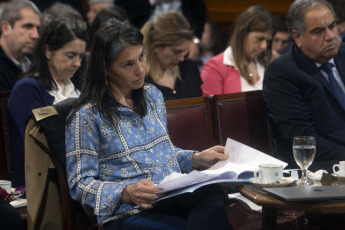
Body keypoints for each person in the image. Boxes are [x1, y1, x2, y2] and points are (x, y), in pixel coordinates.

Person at [66, 18, 232, 230]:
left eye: (141, 57)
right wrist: (125, 193)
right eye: (128, 64)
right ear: (105, 69)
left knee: (212, 192)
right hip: (128, 211)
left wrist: (195, 158)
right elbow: (79, 183)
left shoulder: (153, 95)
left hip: (170, 196)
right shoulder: (86, 116)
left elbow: (164, 154)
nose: (140, 70)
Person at [263, 0, 345, 172]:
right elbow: (306, 141)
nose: (330, 36)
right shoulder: (282, 73)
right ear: (298, 37)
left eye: (332, 26)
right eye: (318, 31)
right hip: (321, 170)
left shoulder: (342, 56)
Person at [8, 18, 88, 188]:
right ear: (48, 52)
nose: (78, 63)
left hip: (82, 174)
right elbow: (42, 142)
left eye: (81, 56)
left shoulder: (81, 86)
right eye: (71, 55)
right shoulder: (27, 89)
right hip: (43, 184)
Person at [200, 5, 273, 96]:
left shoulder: (271, 65)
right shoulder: (215, 67)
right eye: (259, 39)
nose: (264, 46)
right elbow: (210, 109)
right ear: (241, 33)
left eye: (268, 41)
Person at [141, 11, 202, 100]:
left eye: (184, 51)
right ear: (157, 46)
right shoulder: (140, 79)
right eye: (177, 52)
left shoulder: (189, 68)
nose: (181, 59)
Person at [0, 1, 41, 92]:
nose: (36, 35)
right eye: (28, 26)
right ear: (5, 28)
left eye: (37, 28)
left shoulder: (35, 61)